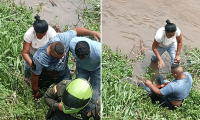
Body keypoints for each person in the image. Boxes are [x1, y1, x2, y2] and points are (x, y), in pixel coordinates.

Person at [31, 27, 100, 99]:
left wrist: (92, 33)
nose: (61, 58)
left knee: (68, 92)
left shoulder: (64, 38)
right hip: (47, 76)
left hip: (64, 73)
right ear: (50, 51)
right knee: (42, 92)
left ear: (64, 46)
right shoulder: (39, 58)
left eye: (63, 56)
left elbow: (76, 30)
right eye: (58, 58)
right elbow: (35, 76)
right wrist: (35, 91)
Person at [22, 15, 57, 79]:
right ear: (35, 32)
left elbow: (55, 48)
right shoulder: (29, 34)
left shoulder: (51, 33)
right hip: (32, 53)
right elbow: (25, 53)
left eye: (44, 34)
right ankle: (27, 79)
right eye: (40, 35)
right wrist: (32, 64)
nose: (42, 36)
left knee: (46, 69)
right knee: (28, 67)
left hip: (46, 53)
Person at [69, 37, 101, 102]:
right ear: (74, 48)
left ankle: (91, 107)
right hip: (81, 68)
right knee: (79, 87)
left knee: (95, 90)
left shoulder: (99, 52)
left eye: (84, 58)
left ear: (90, 50)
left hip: (97, 69)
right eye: (79, 58)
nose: (81, 60)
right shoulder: (71, 43)